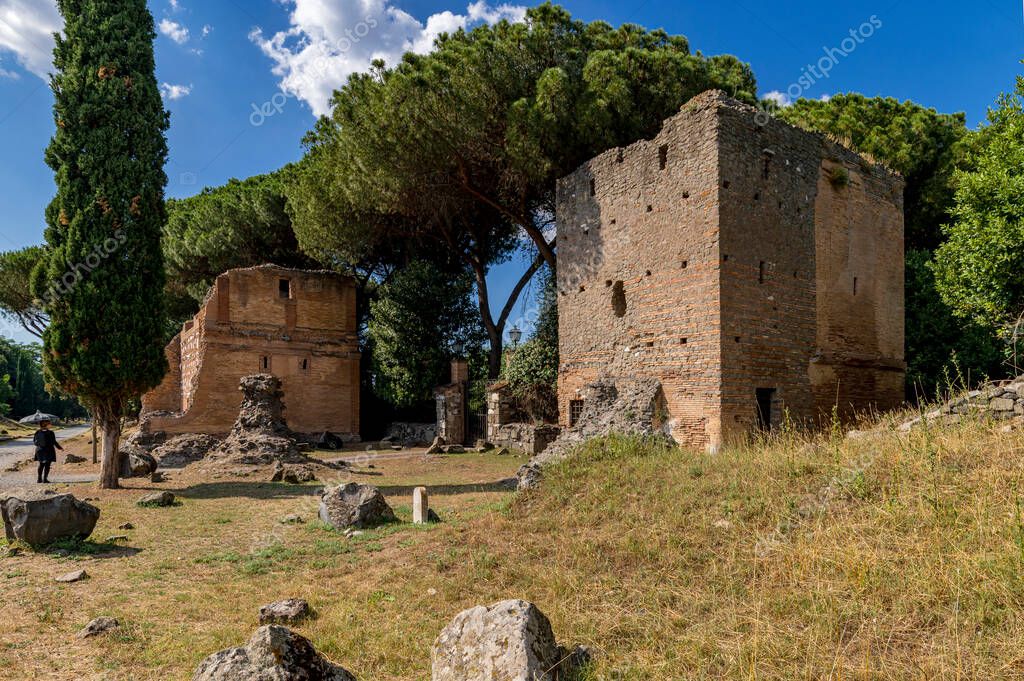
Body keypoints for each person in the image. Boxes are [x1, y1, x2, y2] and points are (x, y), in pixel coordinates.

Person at [33, 419, 62, 484]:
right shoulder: (51, 432)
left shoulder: (37, 432)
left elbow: (34, 442)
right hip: (49, 450)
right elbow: (54, 442)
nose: (51, 425)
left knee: (41, 464)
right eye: (49, 423)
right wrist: (59, 448)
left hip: (40, 450)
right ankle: (45, 479)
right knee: (47, 465)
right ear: (45, 424)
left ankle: (39, 479)